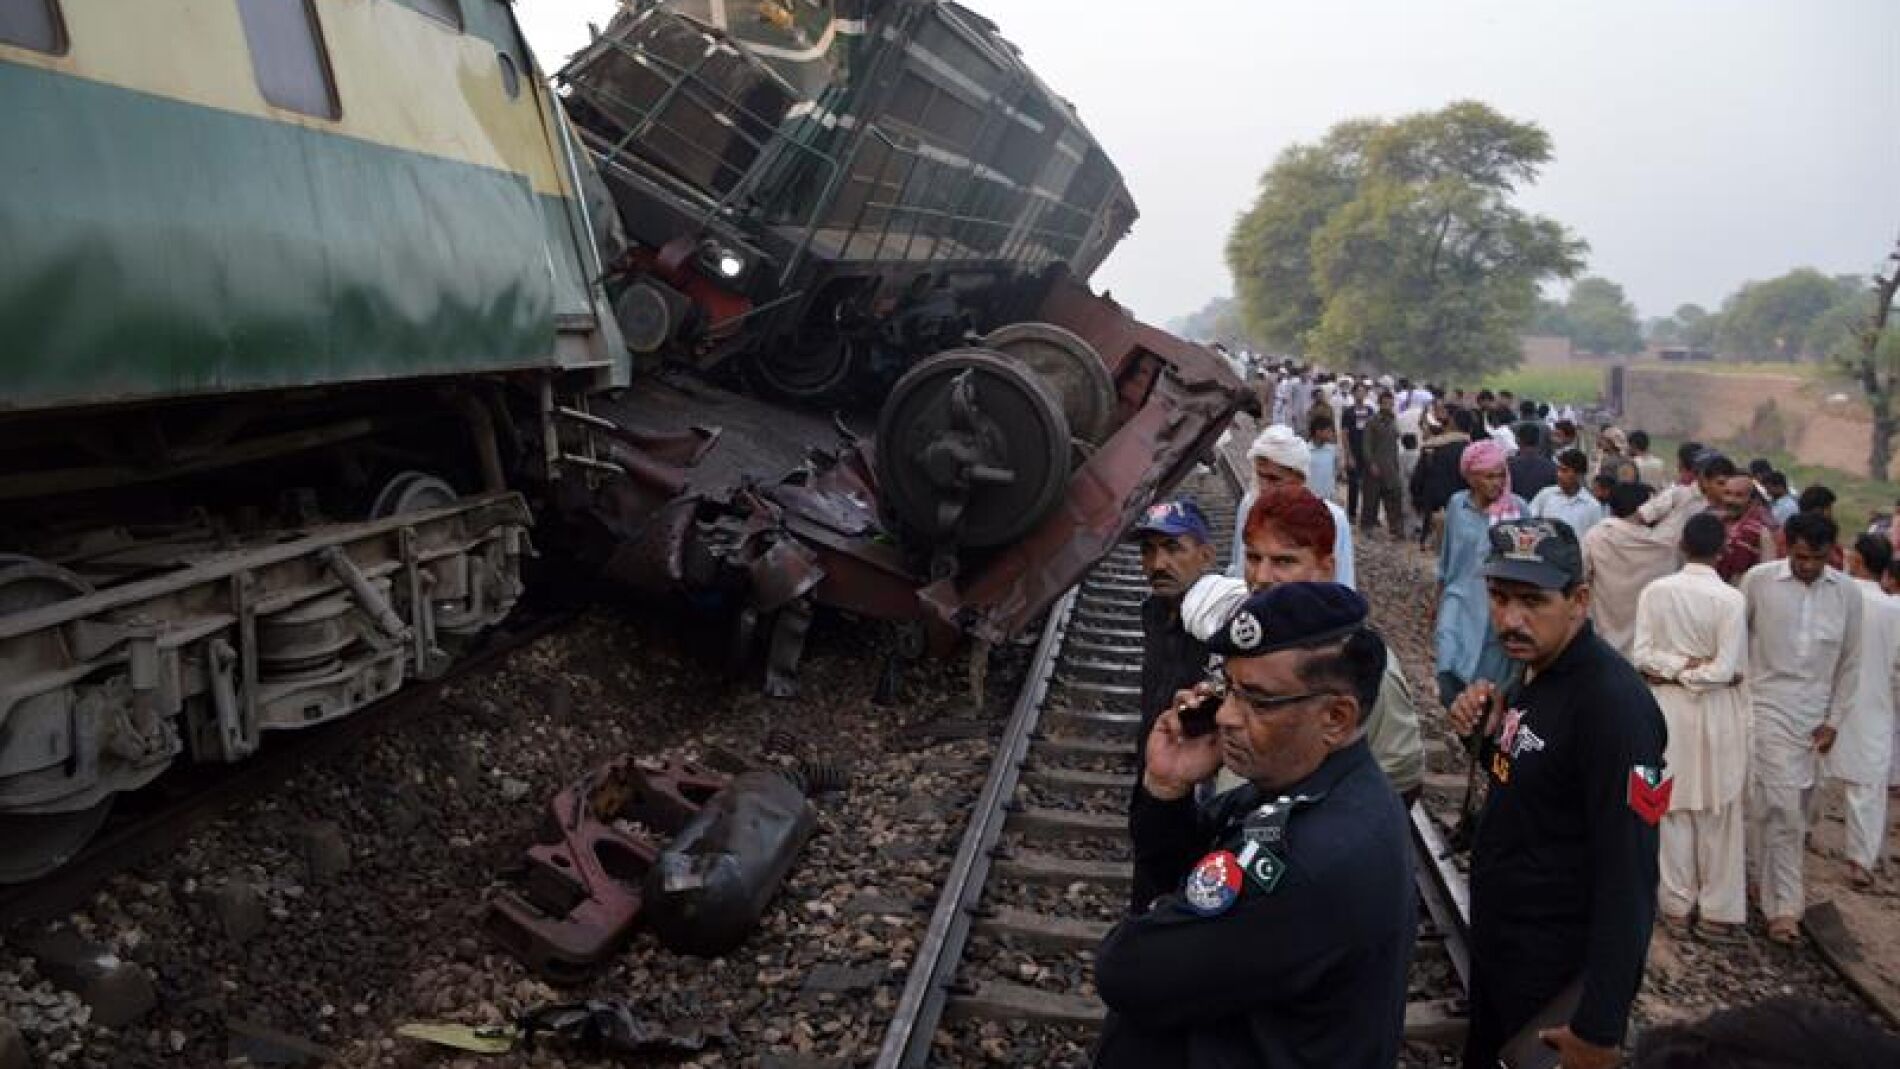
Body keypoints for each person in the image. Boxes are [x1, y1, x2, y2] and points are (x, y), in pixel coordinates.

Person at [1093, 583, 1415, 1069]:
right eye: (1229, 690)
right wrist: (1167, 788)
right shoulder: (1312, 785)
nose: (1224, 716)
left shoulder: (1308, 855)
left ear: (1335, 716)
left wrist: (1159, 918)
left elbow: (1125, 970)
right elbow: (1182, 863)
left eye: (1258, 702)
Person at [1447, 518, 1666, 1069]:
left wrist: (1599, 1026)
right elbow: (1538, 785)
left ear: (1579, 600)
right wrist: (1484, 739)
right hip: (1503, 947)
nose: (1511, 619)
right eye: (1498, 598)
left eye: (1532, 601)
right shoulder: (1539, 671)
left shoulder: (1615, 707)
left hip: (1551, 971)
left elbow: (1631, 874)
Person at [1182, 486, 1424, 803]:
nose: (1262, 576)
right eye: (1254, 557)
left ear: (1326, 568)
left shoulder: (1360, 664)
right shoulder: (1241, 634)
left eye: (1284, 561)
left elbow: (1401, 774)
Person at [1740, 511, 1863, 944]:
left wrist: (1834, 721)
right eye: (1799, 556)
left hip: (1815, 720)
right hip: (1767, 704)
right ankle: (1785, 911)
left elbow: (1850, 664)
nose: (1806, 566)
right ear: (1786, 546)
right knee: (1784, 810)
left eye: (1815, 558)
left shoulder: (1847, 594)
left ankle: (1757, 876)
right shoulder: (1759, 581)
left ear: (1831, 553)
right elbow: (1739, 643)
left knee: (1792, 812)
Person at [1633, 514, 1750, 943]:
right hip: (1717, 712)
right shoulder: (1732, 600)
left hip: (1665, 707)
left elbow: (1642, 656)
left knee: (1667, 804)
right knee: (1718, 807)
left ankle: (1675, 904)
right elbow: (1725, 669)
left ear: (1682, 545)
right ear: (1722, 551)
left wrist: (1673, 669)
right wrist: (1697, 670)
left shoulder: (1656, 592)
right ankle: (1718, 910)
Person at [1825, 532, 1898, 888]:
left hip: (1827, 696)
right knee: (1868, 785)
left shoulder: (1836, 595)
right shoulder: (1894, 610)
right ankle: (1860, 860)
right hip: (1876, 704)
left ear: (1855, 560)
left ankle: (1803, 832)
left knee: (1811, 772)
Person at [1133, 499, 1219, 799]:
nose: (1158, 564)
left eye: (1173, 549)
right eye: (1148, 550)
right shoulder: (1154, 611)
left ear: (1206, 556)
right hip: (1155, 755)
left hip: (1197, 771)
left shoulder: (1220, 621)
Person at [1433, 440, 1526, 708]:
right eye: (1489, 476)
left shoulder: (1517, 510)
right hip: (1458, 597)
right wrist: (1438, 599)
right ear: (1472, 478)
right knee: (1448, 656)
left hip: (1494, 605)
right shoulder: (1457, 505)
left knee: (1489, 671)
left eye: (1501, 475)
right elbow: (1447, 556)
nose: (1497, 483)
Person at [1229, 425, 1355, 589]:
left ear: (1299, 479)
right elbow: (1238, 563)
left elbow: (1344, 583)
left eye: (1274, 479)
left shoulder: (1332, 517)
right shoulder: (1249, 504)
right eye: (1261, 476)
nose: (1265, 486)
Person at [1582, 481, 1680, 657]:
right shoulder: (1663, 544)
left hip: (1603, 643)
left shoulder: (1596, 536)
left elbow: (1580, 578)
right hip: (1649, 650)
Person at [1412, 407, 1474, 550]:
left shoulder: (1433, 447)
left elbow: (1419, 477)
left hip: (1434, 503)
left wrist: (1417, 497)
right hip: (1461, 506)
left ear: (1453, 424)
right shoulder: (1472, 450)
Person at [1714, 472, 1779, 583]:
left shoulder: (1762, 532)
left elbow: (1767, 575)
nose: (1730, 500)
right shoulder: (1715, 524)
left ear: (1752, 500)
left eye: (1739, 495)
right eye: (1727, 493)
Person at [1530, 448, 1605, 539]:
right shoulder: (1546, 495)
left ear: (1579, 475)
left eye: (1564, 471)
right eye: (1559, 470)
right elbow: (1529, 523)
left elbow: (1595, 539)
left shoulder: (1592, 506)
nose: (1559, 475)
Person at [1360, 389, 1404, 540]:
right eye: (1385, 403)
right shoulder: (1372, 422)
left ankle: (1396, 529)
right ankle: (1367, 527)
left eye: (1390, 403)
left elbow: (1397, 441)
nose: (1388, 405)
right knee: (1371, 498)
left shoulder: (1394, 421)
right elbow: (1366, 445)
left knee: (1394, 497)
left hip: (1391, 465)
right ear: (1380, 404)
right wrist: (1371, 463)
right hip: (1376, 466)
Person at [1342, 383, 1373, 520]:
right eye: (1358, 392)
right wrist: (1348, 455)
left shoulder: (1370, 411)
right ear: (1353, 394)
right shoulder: (1348, 412)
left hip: (1367, 452)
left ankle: (1368, 514)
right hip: (1354, 451)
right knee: (1353, 484)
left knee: (1369, 485)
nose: (1360, 394)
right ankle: (1352, 513)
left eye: (1363, 392)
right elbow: (1344, 434)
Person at [1508, 422, 1559, 500]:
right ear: (1538, 441)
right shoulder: (1552, 467)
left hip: (1516, 510)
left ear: (1517, 440)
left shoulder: (1508, 466)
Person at [1306, 413, 1339, 501]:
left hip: (1328, 500)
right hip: (1310, 500)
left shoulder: (1332, 450)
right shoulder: (1305, 451)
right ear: (1318, 432)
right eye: (1328, 431)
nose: (1331, 434)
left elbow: (1334, 474)